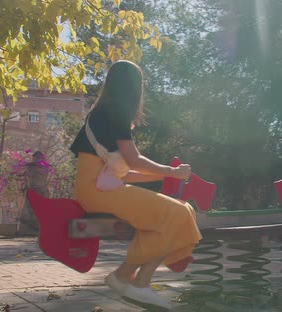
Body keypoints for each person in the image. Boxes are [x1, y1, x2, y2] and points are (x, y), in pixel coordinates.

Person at [69, 60, 202, 309]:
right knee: (174, 213)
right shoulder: (115, 111)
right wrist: (172, 171)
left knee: (183, 209)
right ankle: (135, 280)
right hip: (98, 192)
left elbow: (122, 173)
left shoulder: (102, 114)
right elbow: (133, 160)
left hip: (99, 189)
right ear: (134, 87)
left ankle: (129, 277)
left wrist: (165, 176)